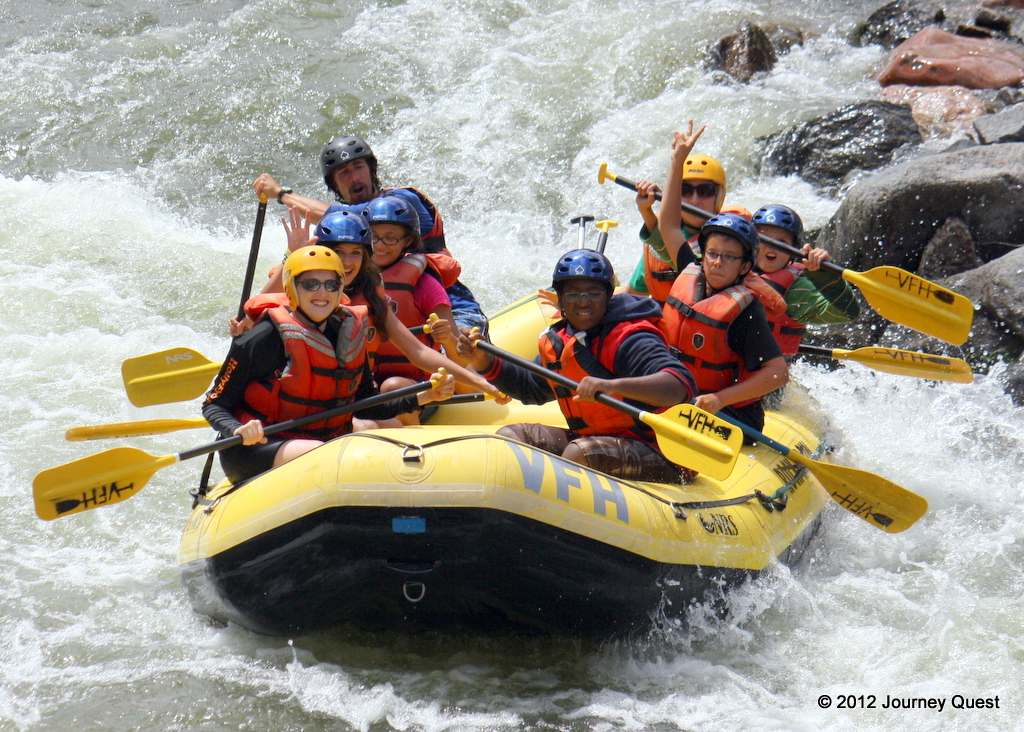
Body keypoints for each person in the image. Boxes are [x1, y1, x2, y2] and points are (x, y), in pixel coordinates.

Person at [202, 245, 459, 484]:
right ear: (292, 288)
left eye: (331, 284)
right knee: (321, 454)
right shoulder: (262, 337)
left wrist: (425, 396)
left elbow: (366, 404)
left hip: (323, 439)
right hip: (258, 446)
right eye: (310, 284)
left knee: (369, 451)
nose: (322, 292)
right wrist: (238, 429)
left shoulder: (348, 334)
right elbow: (214, 404)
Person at [457, 249, 698, 483]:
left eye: (593, 293)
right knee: (511, 437)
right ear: (560, 299)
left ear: (608, 295)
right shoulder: (560, 340)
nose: (584, 302)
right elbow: (530, 387)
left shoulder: (630, 337)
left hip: (659, 449)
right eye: (573, 294)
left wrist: (613, 386)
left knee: (578, 454)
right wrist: (483, 361)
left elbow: (679, 385)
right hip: (595, 439)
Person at [252, 134, 487, 332]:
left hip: (453, 309)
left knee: (464, 343)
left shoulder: (403, 201)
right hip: (389, 321)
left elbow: (340, 214)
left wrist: (281, 193)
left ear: (371, 169)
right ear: (334, 185)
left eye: (358, 168)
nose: (354, 177)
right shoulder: (340, 235)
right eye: (344, 173)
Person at [659, 208, 789, 433]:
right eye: (712, 254)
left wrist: (719, 399)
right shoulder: (692, 272)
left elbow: (778, 373)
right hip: (679, 393)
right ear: (704, 256)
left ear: (745, 267)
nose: (718, 262)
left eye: (729, 257)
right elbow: (668, 226)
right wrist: (677, 170)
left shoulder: (746, 312)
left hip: (729, 414)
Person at [618, 121, 727, 305]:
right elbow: (632, 293)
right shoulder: (658, 235)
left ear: (719, 196)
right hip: (666, 324)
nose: (694, 199)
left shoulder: (731, 239)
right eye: (685, 190)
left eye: (706, 191)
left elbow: (671, 240)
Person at [750, 204, 861, 358]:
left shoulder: (796, 291)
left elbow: (848, 312)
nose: (771, 246)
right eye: (764, 238)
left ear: (795, 249)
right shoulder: (729, 265)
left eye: (781, 241)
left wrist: (826, 274)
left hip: (764, 376)